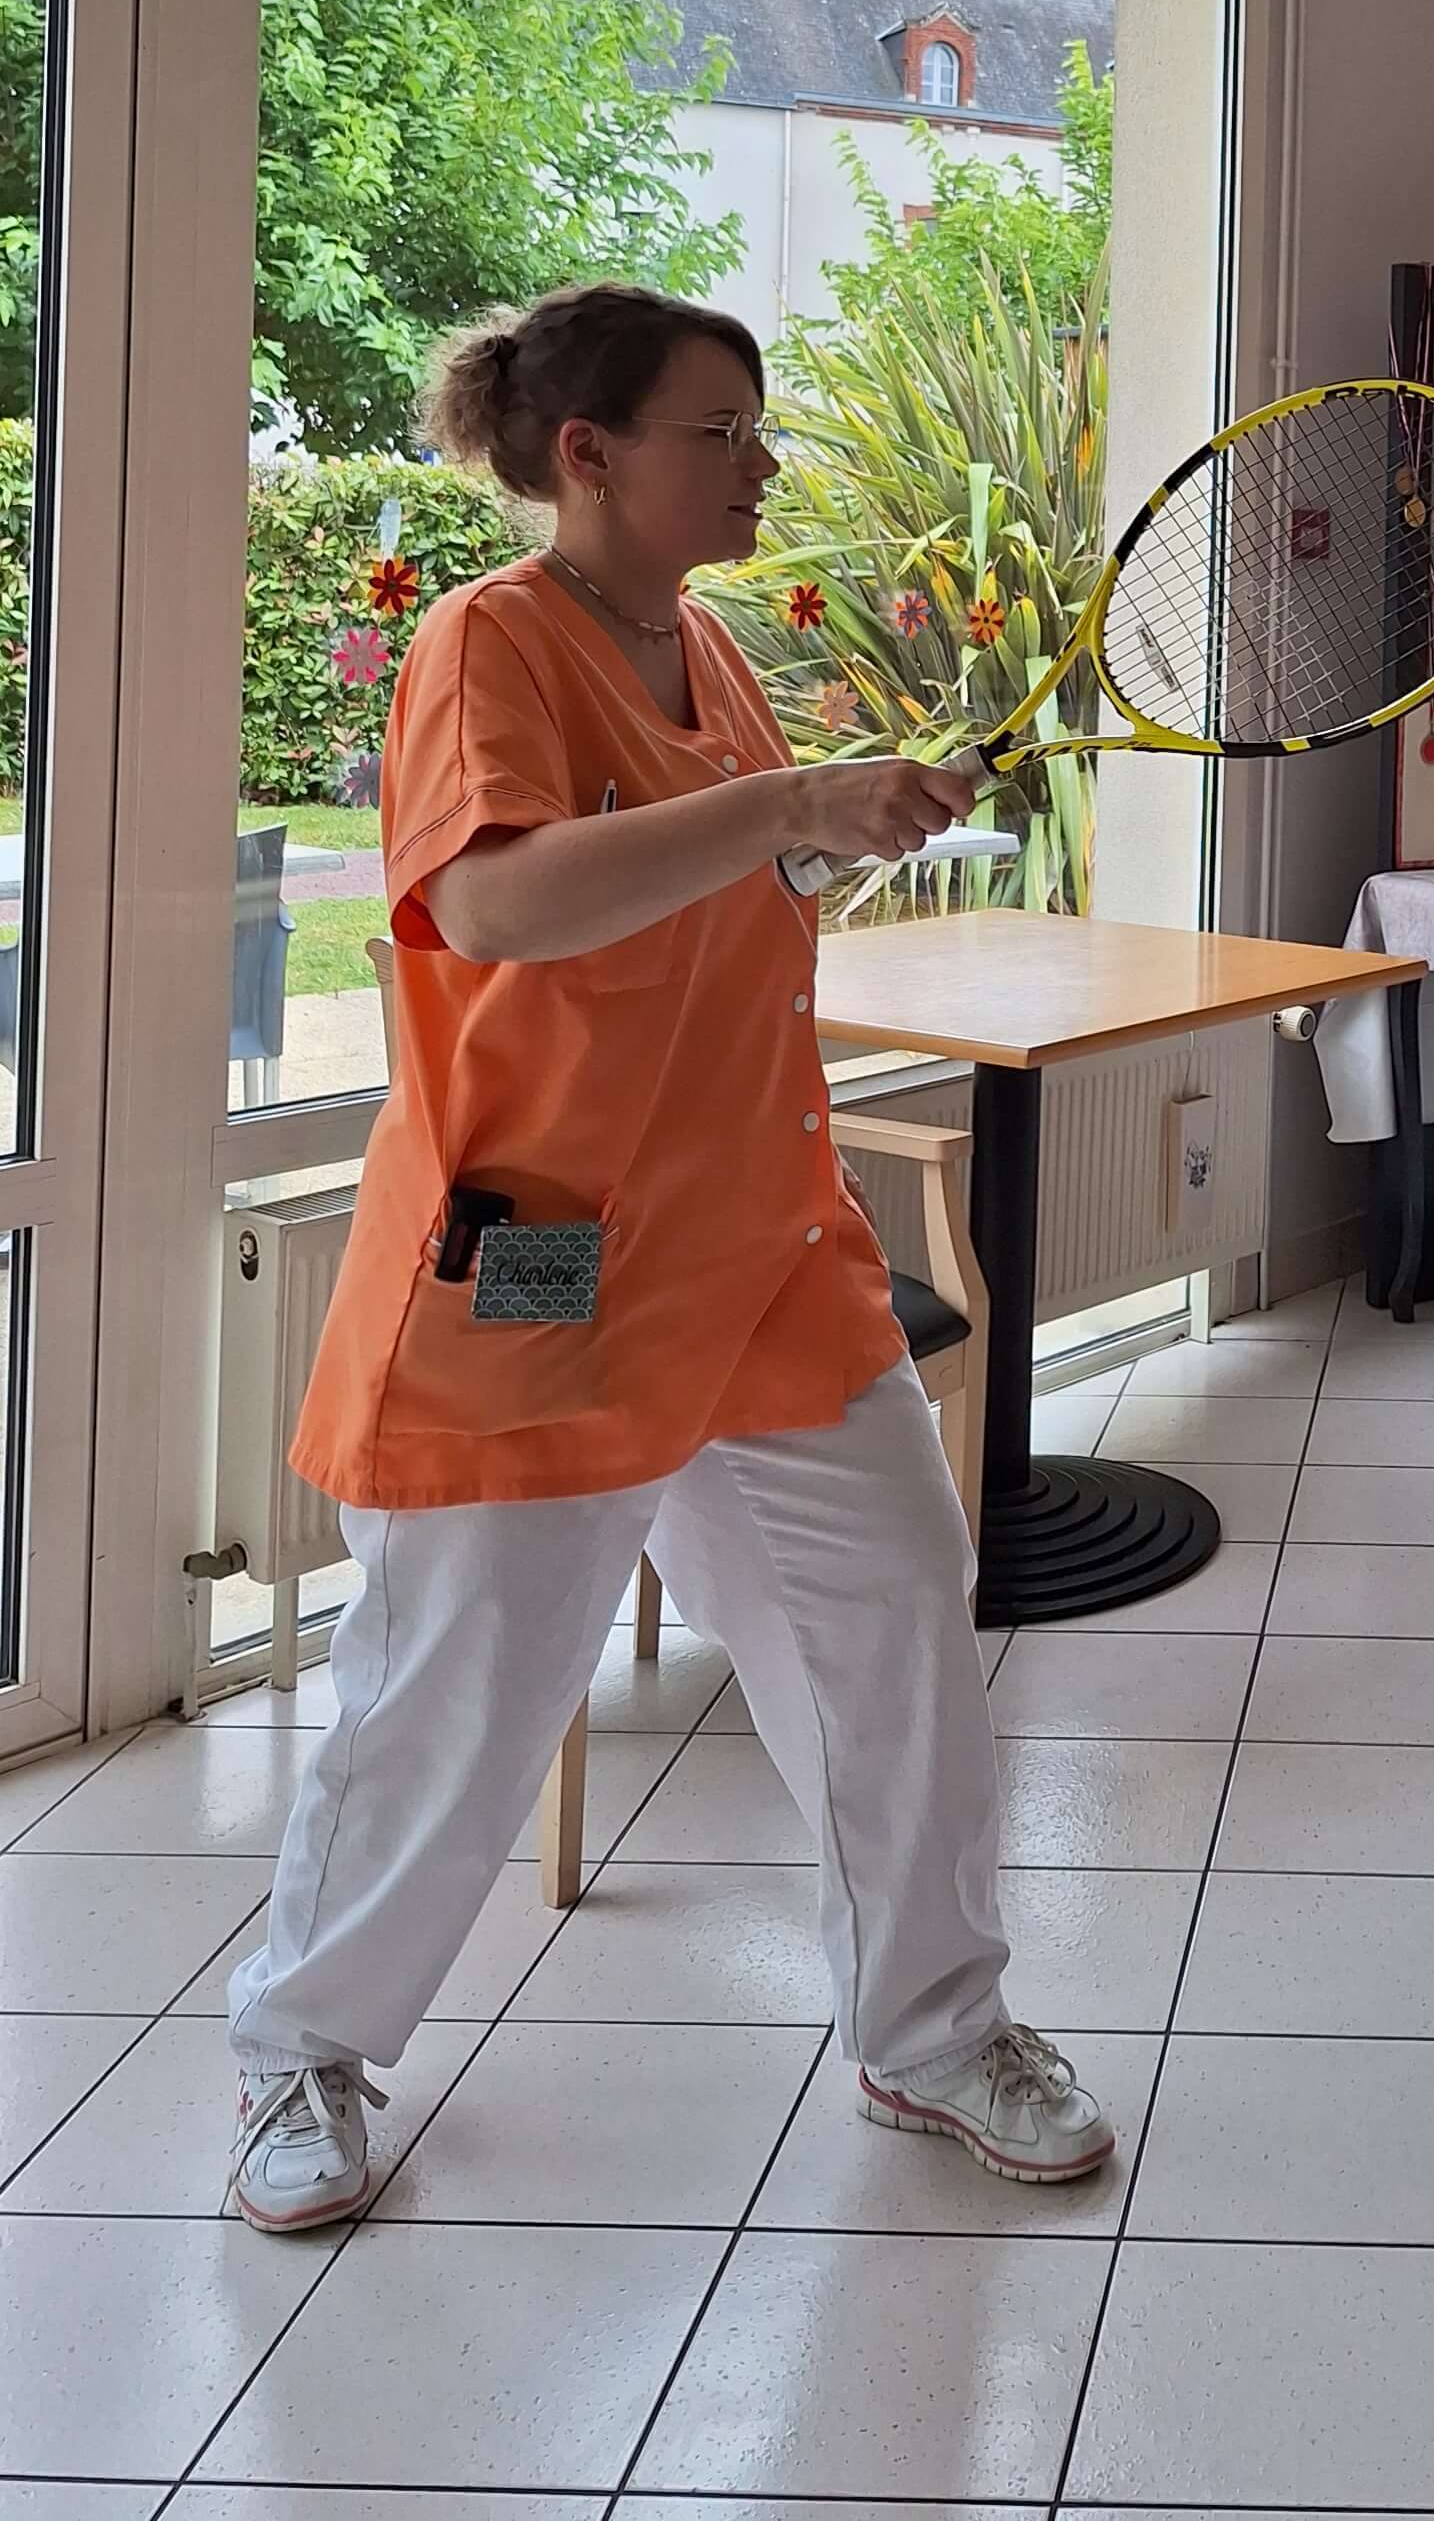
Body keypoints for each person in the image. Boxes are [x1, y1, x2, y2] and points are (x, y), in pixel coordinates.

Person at [224, 283, 1114, 2230]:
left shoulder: (701, 643)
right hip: (546, 1263)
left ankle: (935, 2025)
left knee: (894, 1620)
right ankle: (302, 2046)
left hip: (764, 1250)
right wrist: (783, 805)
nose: (760, 462)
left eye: (755, 428)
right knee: (457, 1683)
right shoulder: (488, 641)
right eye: (721, 431)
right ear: (587, 454)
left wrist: (830, 829)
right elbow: (494, 901)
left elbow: (720, 876)